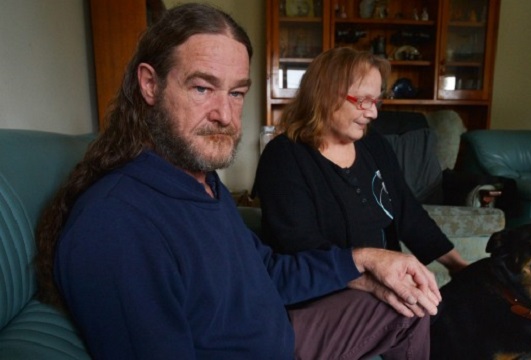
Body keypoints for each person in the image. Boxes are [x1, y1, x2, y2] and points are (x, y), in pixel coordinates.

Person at [34, 3, 440, 359]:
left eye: (236, 93)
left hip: (281, 331)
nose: (225, 115)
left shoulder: (201, 182)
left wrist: (366, 261)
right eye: (202, 87)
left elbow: (266, 271)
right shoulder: (116, 225)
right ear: (149, 84)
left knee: (407, 308)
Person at [254, 47, 468, 312]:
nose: (373, 113)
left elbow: (407, 212)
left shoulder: (373, 144)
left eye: (376, 101)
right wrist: (372, 281)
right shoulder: (284, 156)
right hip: (325, 293)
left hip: (381, 285)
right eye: (363, 100)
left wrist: (459, 266)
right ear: (325, 94)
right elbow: (298, 244)